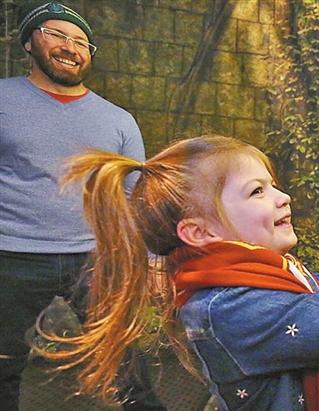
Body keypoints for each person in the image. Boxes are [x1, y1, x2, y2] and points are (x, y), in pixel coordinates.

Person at [43, 135, 319, 410]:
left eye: (273, 184)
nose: (283, 196)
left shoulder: (255, 272)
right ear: (200, 232)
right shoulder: (229, 305)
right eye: (257, 191)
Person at [0, 2, 164, 410]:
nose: (70, 47)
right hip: (12, 257)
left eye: (80, 41)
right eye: (56, 34)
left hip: (97, 259)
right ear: (29, 42)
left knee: (126, 361)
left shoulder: (119, 120)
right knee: (4, 365)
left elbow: (134, 197)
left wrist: (149, 261)